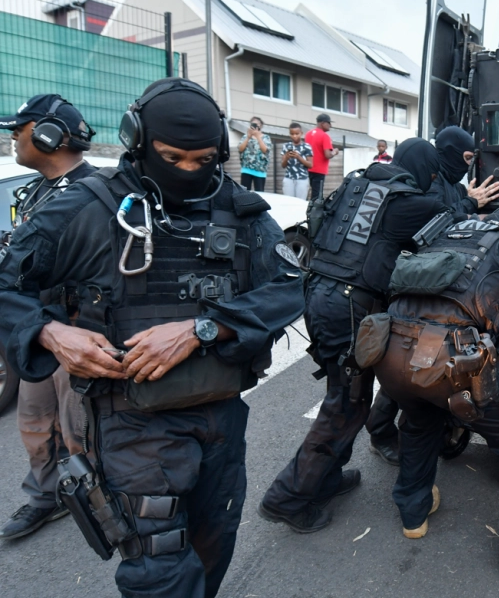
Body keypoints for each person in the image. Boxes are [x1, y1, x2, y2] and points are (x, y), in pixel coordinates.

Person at [0, 78, 305, 598]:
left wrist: (201, 329)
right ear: (137, 140)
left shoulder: (239, 209)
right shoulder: (87, 207)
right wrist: (51, 333)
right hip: (132, 423)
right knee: (159, 571)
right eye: (172, 158)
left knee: (213, 545)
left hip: (220, 416)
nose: (188, 170)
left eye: (202, 159)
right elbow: (8, 287)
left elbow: (290, 287)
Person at [257, 138, 450, 532]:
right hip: (347, 306)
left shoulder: (357, 183)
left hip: (318, 296)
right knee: (346, 405)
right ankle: (286, 498)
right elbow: (448, 215)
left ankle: (326, 478)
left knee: (347, 397)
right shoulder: (407, 202)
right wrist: (470, 197)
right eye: (431, 175)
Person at [375, 196, 499, 584]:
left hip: (389, 352)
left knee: (419, 420)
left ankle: (414, 513)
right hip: (450, 363)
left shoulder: (441, 236)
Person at [362, 125, 499, 464]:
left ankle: (414, 430)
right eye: (465, 158)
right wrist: (469, 204)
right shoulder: (427, 182)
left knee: (419, 362)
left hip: (433, 285)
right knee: (404, 363)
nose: (466, 166)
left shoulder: (449, 183)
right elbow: (441, 223)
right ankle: (383, 432)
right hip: (414, 286)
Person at [0, 94, 95, 540]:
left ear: (48, 135)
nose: (13, 138)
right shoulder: (37, 190)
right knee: (35, 421)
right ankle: (45, 496)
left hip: (79, 324)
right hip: (38, 324)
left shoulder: (97, 192)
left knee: (80, 426)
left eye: (18, 130)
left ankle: (97, 497)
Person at [426, 126, 499, 215]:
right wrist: (471, 202)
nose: (470, 164)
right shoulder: (432, 182)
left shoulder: (458, 187)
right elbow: (438, 217)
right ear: (451, 153)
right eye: (468, 158)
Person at [305, 113, 338, 199]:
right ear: (323, 123)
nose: (330, 125)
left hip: (308, 168)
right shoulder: (324, 136)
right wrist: (335, 152)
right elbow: (327, 155)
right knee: (317, 196)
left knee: (309, 193)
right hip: (319, 171)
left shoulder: (308, 134)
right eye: (329, 123)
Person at [237, 116, 272, 192]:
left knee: (259, 193)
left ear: (261, 126)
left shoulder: (266, 137)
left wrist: (258, 137)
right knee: (245, 192)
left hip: (260, 171)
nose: (255, 126)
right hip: (246, 169)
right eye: (253, 124)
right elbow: (240, 149)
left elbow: (265, 150)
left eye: (257, 124)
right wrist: (248, 137)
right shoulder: (245, 136)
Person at [281, 122, 313, 200]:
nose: (294, 136)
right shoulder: (286, 146)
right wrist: (287, 158)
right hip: (288, 178)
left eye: (297, 134)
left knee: (300, 202)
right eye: (292, 134)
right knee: (288, 202)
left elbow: (310, 165)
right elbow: (283, 165)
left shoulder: (306, 146)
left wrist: (298, 157)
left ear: (301, 133)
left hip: (302, 179)